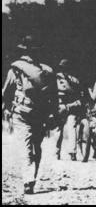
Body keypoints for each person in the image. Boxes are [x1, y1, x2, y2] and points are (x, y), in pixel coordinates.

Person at [2, 35, 57, 194]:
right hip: (40, 114)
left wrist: (6, 108)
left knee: (25, 145)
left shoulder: (16, 69)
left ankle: (28, 179)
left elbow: (7, 91)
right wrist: (53, 114)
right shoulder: (47, 71)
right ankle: (31, 177)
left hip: (21, 112)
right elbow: (54, 97)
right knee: (37, 146)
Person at [55, 59, 83, 161]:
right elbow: (80, 95)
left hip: (61, 106)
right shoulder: (75, 80)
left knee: (59, 129)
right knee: (72, 128)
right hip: (71, 107)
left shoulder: (55, 78)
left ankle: (56, 153)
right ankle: (72, 153)